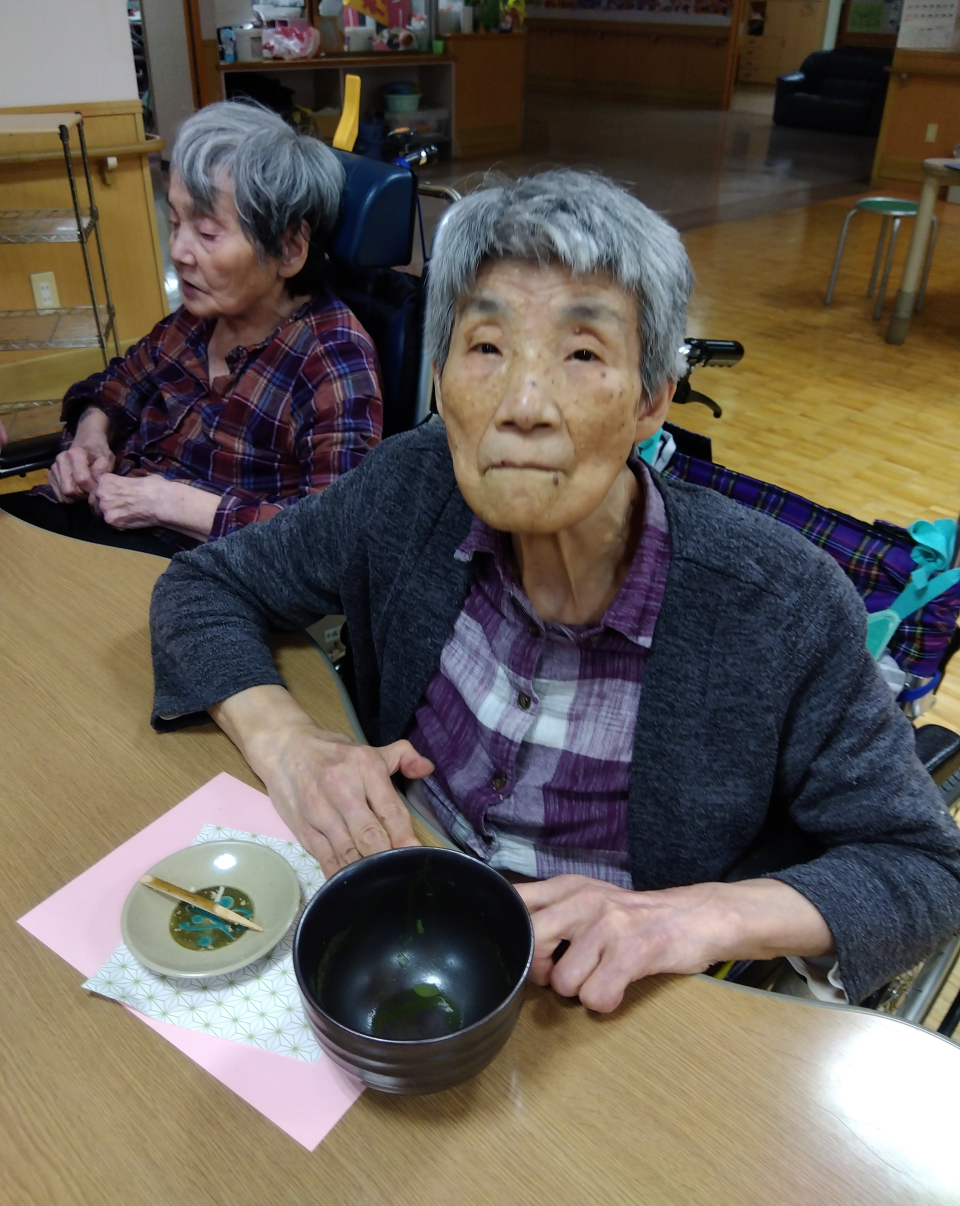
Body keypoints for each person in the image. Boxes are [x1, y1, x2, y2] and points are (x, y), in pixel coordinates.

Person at [150, 170, 960, 1013]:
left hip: (607, 1007)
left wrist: (691, 917)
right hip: (397, 925)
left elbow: (922, 869)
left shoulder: (779, 604)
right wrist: (287, 744)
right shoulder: (408, 490)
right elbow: (205, 584)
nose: (524, 406)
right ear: (440, 379)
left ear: (652, 400)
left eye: (582, 354)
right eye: (486, 348)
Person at [0, 101, 381, 557]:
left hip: (177, 570)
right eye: (175, 223)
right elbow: (117, 385)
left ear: (289, 248)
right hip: (89, 524)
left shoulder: (332, 359)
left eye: (207, 233)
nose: (179, 252)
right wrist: (90, 440)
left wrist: (169, 503)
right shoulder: (197, 318)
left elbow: (332, 539)